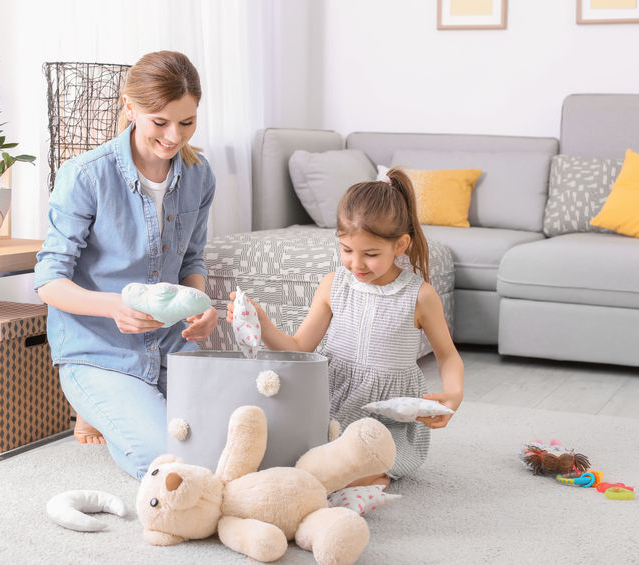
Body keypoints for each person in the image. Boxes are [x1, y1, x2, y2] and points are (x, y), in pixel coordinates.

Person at [34, 50, 217, 480]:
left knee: (234, 441)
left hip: (170, 346)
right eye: (161, 122)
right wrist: (115, 307)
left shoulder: (199, 175)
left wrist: (200, 306)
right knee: (171, 466)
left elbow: (191, 260)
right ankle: (95, 401)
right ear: (130, 107)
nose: (174, 136)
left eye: (187, 122)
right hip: (99, 350)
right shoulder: (85, 176)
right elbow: (49, 281)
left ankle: (108, 410)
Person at [227, 167, 463, 486]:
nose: (356, 263)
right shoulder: (333, 285)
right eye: (347, 250)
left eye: (371, 254)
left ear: (400, 245)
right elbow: (299, 348)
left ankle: (360, 480)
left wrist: (453, 393)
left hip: (385, 420)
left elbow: (447, 356)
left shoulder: (419, 296)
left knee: (345, 470)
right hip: (330, 404)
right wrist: (263, 324)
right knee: (281, 451)